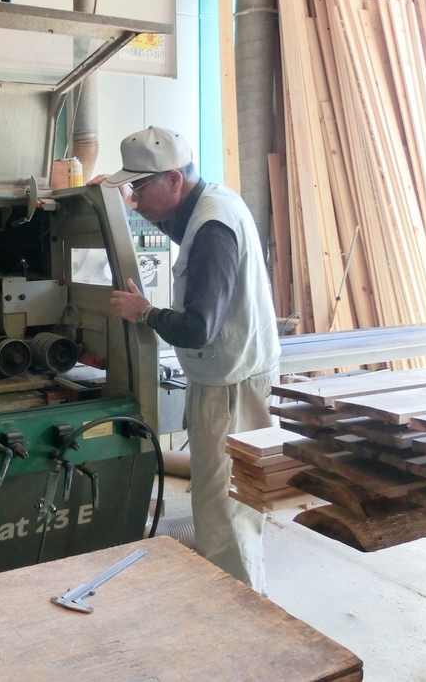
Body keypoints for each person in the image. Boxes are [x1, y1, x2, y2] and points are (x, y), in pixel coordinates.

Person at [89, 126, 280, 593]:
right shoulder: (210, 203)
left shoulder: (213, 228)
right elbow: (177, 227)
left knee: (224, 516)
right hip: (234, 373)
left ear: (173, 179)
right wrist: (122, 201)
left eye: (139, 187)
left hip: (230, 386)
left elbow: (199, 327)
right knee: (228, 507)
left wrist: (145, 312)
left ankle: (241, 613)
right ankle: (239, 602)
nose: (135, 198)